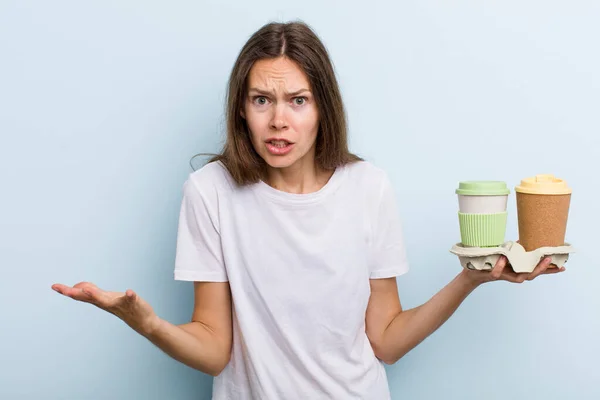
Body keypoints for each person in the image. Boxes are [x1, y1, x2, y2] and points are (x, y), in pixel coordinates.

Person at [52, 21, 564, 400]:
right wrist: (146, 323)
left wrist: (470, 279)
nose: (278, 120)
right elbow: (214, 348)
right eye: (261, 100)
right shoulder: (209, 192)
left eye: (297, 100)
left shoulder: (369, 188)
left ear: (323, 108)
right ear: (241, 109)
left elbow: (384, 340)